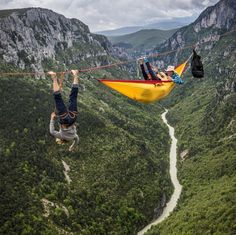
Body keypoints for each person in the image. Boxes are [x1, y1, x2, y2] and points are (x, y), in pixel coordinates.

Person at [48, 70, 79, 152]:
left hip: (73, 118)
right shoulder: (61, 136)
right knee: (58, 98)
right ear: (61, 140)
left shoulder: (74, 137)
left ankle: (75, 75)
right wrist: (52, 119)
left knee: (73, 97)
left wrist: (72, 147)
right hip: (65, 120)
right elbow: (52, 132)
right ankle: (54, 78)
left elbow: (77, 141)